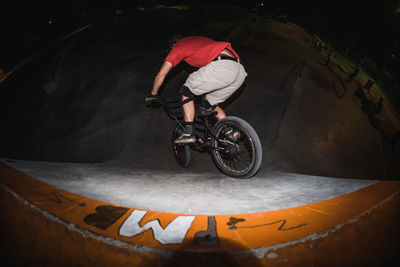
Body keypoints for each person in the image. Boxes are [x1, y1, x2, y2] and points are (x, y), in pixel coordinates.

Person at [150, 35, 247, 144]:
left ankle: (188, 131)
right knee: (209, 103)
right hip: (239, 72)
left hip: (220, 65)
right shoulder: (199, 42)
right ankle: (229, 130)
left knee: (186, 90)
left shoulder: (178, 46)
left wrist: (154, 93)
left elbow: (161, 75)